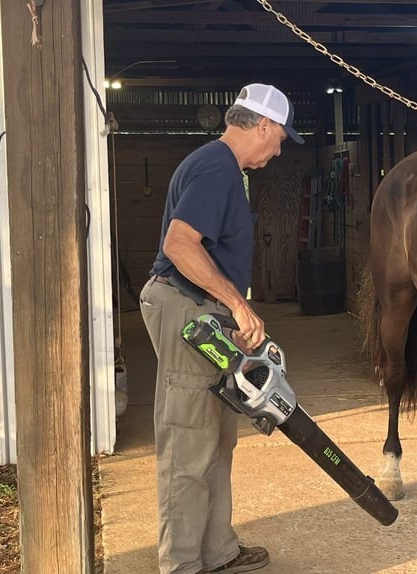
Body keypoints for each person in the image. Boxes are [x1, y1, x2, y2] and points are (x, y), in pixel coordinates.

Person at [140, 83, 304, 574]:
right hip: (187, 309)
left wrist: (230, 309)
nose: (278, 150)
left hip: (205, 312)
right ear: (263, 126)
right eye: (279, 139)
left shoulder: (222, 167)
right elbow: (180, 244)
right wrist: (237, 302)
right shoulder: (216, 168)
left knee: (216, 436)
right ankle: (183, 564)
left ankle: (217, 551)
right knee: (189, 444)